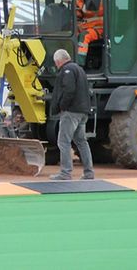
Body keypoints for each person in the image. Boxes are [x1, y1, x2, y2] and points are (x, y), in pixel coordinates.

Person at [49, 49, 95, 180]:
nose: (56, 65)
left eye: (56, 62)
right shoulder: (79, 69)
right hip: (83, 112)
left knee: (63, 141)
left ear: (59, 61)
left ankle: (65, 173)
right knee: (81, 141)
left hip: (71, 112)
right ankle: (88, 172)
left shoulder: (67, 70)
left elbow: (69, 90)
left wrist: (62, 106)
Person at [76, 0, 104, 66]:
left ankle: (79, 64)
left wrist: (78, 4)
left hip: (98, 29)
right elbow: (79, 12)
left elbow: (89, 10)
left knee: (85, 36)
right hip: (85, 27)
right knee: (72, 33)